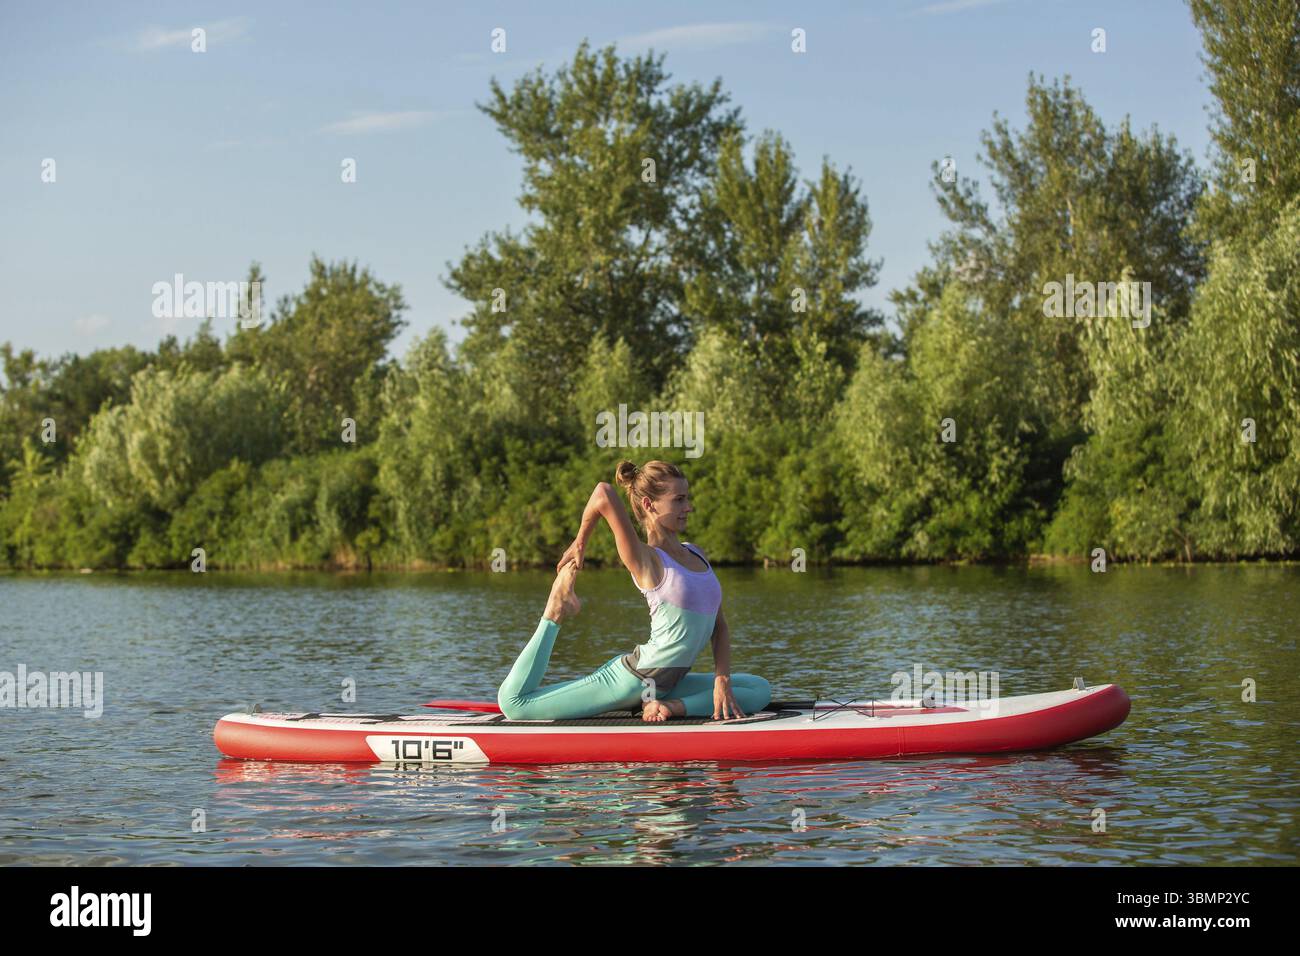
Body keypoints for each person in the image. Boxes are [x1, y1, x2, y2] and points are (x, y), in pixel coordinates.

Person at [497, 459, 771, 723]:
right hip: (632, 679)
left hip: (667, 685)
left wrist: (721, 681)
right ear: (649, 505)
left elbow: (719, 626)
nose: (688, 507)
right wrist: (580, 542)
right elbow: (603, 492)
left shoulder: (696, 553)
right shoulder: (646, 559)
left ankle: (670, 707)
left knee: (759, 689)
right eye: (679, 500)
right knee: (514, 703)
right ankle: (555, 609)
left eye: (687, 498)